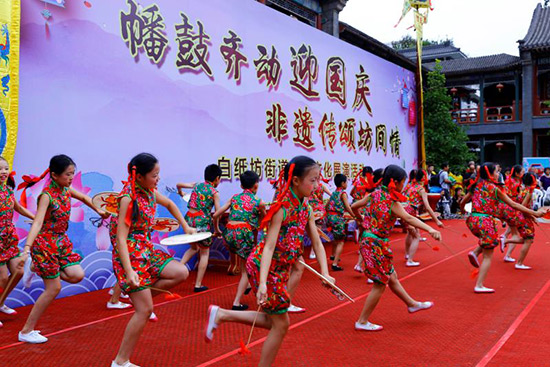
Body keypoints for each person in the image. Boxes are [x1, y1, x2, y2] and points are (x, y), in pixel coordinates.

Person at [205, 156, 334, 367]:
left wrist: (327, 273)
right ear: (295, 181)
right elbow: (269, 247)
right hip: (264, 266)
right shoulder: (281, 208)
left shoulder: (306, 208)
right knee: (281, 324)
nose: (317, 186)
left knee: (275, 320)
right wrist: (263, 282)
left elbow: (318, 244)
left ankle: (221, 314)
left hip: (280, 268)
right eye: (313, 180)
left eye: (318, 180)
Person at [111, 153, 195, 367]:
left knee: (181, 272)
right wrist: (129, 272)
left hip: (145, 250)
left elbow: (170, 204)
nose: (158, 179)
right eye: (154, 175)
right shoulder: (128, 198)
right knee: (145, 311)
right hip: (129, 254)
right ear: (139, 177)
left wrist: (185, 226)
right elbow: (120, 237)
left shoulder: (149, 192)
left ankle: (140, 294)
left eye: (158, 174)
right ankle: (120, 361)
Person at [18, 155, 109, 343]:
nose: (71, 178)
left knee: (77, 275)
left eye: (72, 174)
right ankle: (26, 331)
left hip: (61, 241)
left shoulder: (65, 189)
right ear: (54, 175)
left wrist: (98, 210)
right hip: (45, 243)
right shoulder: (46, 196)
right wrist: (27, 248)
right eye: (68, 174)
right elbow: (37, 223)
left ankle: (36, 267)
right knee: (54, 288)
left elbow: (84, 197)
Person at [351, 165, 441, 331]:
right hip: (376, 243)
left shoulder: (374, 194)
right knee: (380, 284)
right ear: (396, 182)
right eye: (402, 182)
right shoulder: (391, 201)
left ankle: (411, 304)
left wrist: (361, 220)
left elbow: (354, 206)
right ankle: (362, 321)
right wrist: (430, 229)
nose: (403, 185)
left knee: (392, 276)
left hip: (369, 240)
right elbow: (408, 217)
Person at [461, 163, 546, 293]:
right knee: (488, 256)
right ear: (490, 173)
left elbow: (462, 202)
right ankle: (479, 285)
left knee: (488, 242)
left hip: (472, 220)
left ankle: (476, 252)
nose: (498, 174)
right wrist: (535, 213)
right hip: (486, 221)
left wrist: (464, 212)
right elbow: (513, 204)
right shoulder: (495, 189)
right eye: (496, 171)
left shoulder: (475, 186)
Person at [213, 170, 266, 310]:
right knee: (246, 270)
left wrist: (217, 230)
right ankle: (236, 302)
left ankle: (248, 285)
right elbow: (264, 220)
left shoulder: (234, 197)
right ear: (256, 186)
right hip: (243, 234)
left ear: (242, 186)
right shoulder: (259, 202)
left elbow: (216, 214)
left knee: (247, 263)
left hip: (228, 234)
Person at [0, 157, 35, 326]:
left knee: (18, 272)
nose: (3, 172)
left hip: (8, 238)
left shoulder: (7, 190)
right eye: (0, 169)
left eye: (5, 168)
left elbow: (19, 208)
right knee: (2, 278)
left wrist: (36, 217)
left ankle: (1, 303)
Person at [179, 164, 222, 292]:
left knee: (194, 248)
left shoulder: (197, 185)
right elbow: (217, 214)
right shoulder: (214, 192)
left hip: (189, 219)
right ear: (217, 178)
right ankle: (198, 285)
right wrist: (217, 230)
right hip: (202, 222)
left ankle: (176, 270)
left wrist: (180, 191)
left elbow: (179, 184)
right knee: (204, 252)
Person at [403, 169, 443, 266]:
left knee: (410, 233)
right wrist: (437, 221)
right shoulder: (421, 189)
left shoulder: (408, 186)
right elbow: (428, 207)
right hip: (411, 213)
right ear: (422, 178)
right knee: (416, 236)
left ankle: (407, 254)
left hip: (403, 211)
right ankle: (410, 260)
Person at [326, 173, 356, 271]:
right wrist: (354, 215)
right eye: (346, 182)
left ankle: (333, 255)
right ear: (343, 183)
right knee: (341, 241)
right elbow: (348, 206)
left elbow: (327, 205)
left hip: (330, 217)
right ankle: (335, 264)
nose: (347, 184)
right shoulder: (343, 193)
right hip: (337, 218)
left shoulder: (334, 193)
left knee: (335, 237)